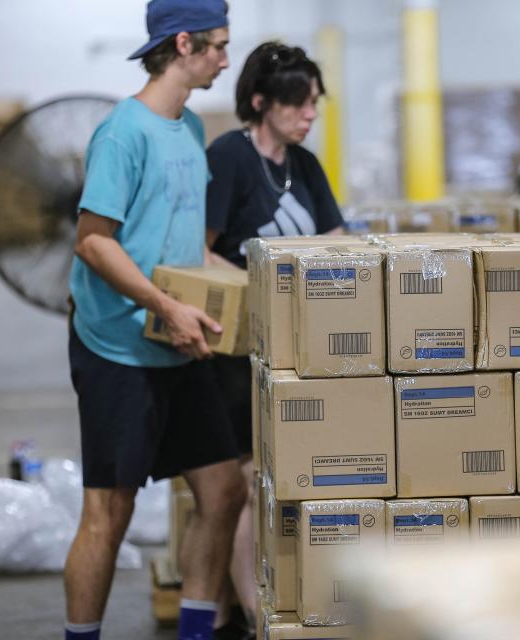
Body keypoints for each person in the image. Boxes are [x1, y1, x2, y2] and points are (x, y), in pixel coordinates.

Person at [64, 2, 246, 640]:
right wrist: (164, 305)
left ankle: (196, 634)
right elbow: (93, 240)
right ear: (185, 43)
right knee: (109, 515)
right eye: (219, 46)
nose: (227, 59)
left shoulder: (190, 129)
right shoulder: (123, 132)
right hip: (118, 346)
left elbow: (188, 245)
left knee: (225, 492)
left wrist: (264, 286)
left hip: (177, 341)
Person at [204, 41, 344, 634]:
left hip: (297, 352)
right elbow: (199, 253)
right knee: (243, 483)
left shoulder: (304, 164)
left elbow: (338, 241)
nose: (309, 114)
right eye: (298, 103)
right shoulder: (230, 158)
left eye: (314, 103)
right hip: (238, 352)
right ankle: (254, 618)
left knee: (285, 478)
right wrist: (262, 295)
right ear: (261, 101)